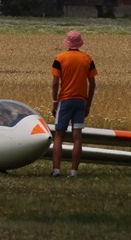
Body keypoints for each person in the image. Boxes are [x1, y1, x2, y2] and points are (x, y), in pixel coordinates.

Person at [50, 29, 97, 177]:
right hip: (81, 101)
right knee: (77, 136)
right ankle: (74, 171)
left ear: (67, 43)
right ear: (80, 43)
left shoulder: (60, 58)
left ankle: (57, 170)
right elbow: (92, 83)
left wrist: (54, 102)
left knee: (59, 135)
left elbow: (55, 83)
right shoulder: (87, 59)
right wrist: (88, 104)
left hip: (65, 100)